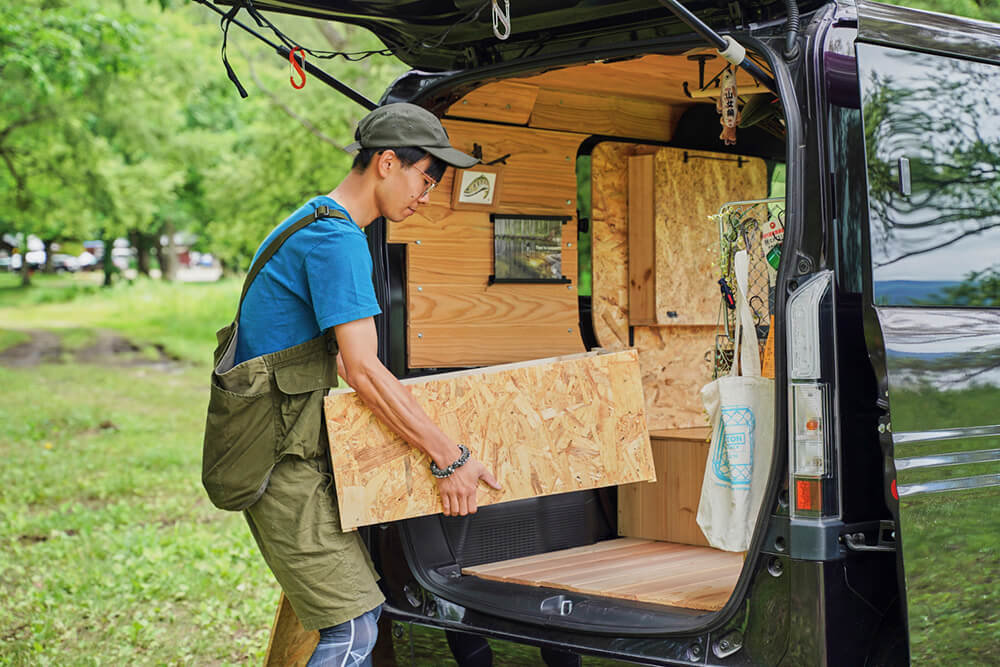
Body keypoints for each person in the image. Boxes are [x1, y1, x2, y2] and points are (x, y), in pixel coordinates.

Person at [233, 103, 501, 666]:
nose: (425, 197)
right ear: (386, 162)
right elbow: (362, 370)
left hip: (289, 449)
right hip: (279, 462)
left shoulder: (313, 220)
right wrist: (449, 458)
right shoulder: (336, 240)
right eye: (424, 178)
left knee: (360, 615)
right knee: (353, 630)